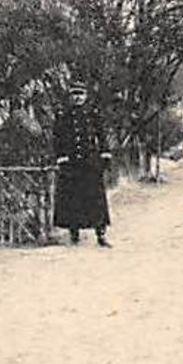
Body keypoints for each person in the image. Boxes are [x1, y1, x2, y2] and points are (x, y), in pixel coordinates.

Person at [53, 81, 112, 247]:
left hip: (90, 163)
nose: (78, 98)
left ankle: (101, 235)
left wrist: (105, 155)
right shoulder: (64, 116)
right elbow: (57, 138)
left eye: (81, 94)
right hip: (72, 165)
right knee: (73, 199)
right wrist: (61, 157)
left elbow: (102, 136)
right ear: (70, 97)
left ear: (86, 96)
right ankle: (74, 234)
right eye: (74, 94)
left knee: (96, 199)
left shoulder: (93, 114)